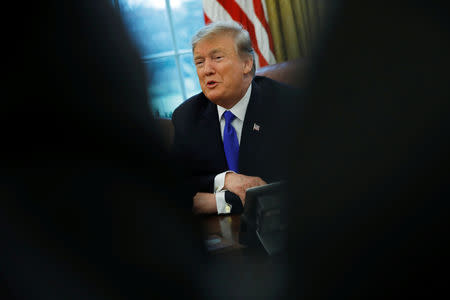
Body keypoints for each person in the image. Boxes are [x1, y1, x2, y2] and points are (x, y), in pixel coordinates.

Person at [171, 21, 300, 215]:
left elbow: (291, 187)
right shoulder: (187, 116)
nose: (207, 70)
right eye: (199, 62)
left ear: (246, 64)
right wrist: (224, 180)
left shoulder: (286, 104)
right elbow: (173, 185)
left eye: (217, 58)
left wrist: (217, 202)